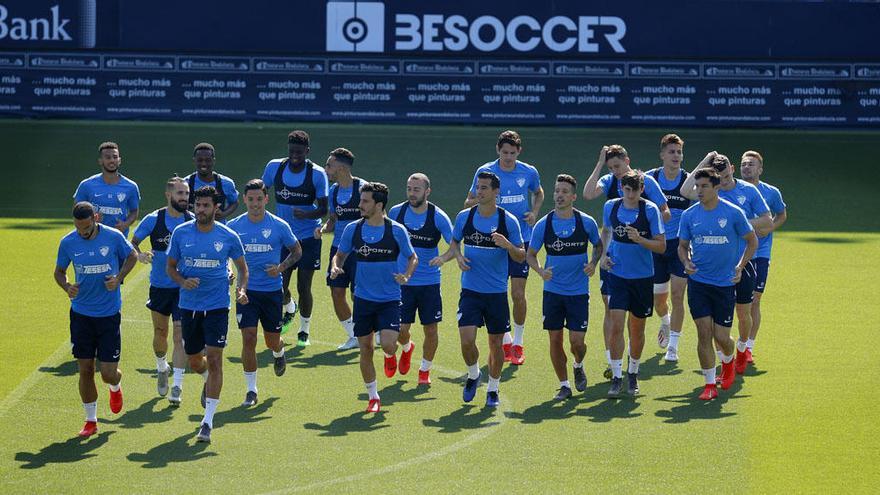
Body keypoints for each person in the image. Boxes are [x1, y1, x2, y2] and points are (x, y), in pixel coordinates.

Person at [167, 186, 248, 443]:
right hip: (189, 306)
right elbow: (170, 267)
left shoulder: (228, 236)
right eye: (197, 205)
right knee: (194, 359)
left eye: (205, 206)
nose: (200, 210)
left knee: (214, 359)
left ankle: (207, 421)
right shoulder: (180, 234)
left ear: (216, 207)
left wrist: (241, 290)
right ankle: (206, 380)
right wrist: (182, 280)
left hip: (217, 307)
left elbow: (242, 270)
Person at [438, 171, 524, 408]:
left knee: (496, 344)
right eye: (478, 187)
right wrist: (457, 256)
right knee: (466, 340)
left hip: (496, 294)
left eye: (485, 188)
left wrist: (507, 245)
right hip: (471, 291)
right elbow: (454, 241)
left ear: (496, 192)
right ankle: (474, 374)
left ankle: (493, 389)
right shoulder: (465, 217)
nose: (480, 191)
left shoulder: (508, 221)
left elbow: (521, 255)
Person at [583, 145, 670, 379]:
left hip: (640, 255)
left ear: (627, 161)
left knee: (637, 318)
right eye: (611, 168)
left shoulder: (646, 184)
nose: (616, 172)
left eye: (618, 166)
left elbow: (666, 212)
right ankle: (613, 361)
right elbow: (588, 194)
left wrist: (642, 228)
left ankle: (632, 361)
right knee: (610, 310)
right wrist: (600, 163)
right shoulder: (610, 182)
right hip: (613, 257)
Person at [681, 153, 772, 375]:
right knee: (710, 326)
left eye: (726, 175)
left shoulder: (748, 192)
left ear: (731, 170)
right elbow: (685, 191)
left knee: (744, 311)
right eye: (718, 176)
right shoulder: (706, 194)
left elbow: (768, 220)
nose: (723, 180)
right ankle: (722, 361)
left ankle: (743, 348)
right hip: (712, 268)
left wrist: (739, 225)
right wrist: (705, 160)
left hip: (743, 261)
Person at [330, 182, 417, 413]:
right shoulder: (353, 229)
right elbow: (339, 255)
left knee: (388, 344)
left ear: (379, 205)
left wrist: (407, 276)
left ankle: (398, 352)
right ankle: (373, 396)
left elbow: (412, 257)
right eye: (361, 200)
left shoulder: (395, 230)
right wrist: (335, 267)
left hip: (389, 298)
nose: (360, 205)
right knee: (365, 348)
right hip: (363, 300)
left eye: (365, 201)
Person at [54, 202, 137, 437]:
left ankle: (115, 386)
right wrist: (67, 286)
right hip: (81, 313)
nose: (83, 233)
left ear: (96, 218)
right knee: (86, 369)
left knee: (108, 372)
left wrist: (119, 278)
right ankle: (91, 420)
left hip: (108, 313)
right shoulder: (68, 242)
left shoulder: (113, 237)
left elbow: (131, 256)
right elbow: (59, 272)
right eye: (79, 228)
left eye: (87, 228)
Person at [677, 168, 758, 400]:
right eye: (697, 186)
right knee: (704, 333)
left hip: (724, 285)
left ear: (716, 187)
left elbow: (752, 242)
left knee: (721, 338)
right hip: (698, 283)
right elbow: (682, 246)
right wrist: (686, 261)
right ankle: (710, 383)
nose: (699, 191)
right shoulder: (689, 215)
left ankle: (728, 361)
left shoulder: (733, 213)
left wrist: (740, 267)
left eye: (704, 186)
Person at [463, 130, 542, 366]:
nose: (508, 157)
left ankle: (517, 343)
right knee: (494, 293)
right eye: (504, 152)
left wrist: (535, 212)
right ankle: (505, 339)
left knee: (517, 293)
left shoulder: (528, 172)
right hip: (491, 242)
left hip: (520, 240)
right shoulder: (485, 172)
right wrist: (483, 200)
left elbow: (538, 192)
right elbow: (469, 201)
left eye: (512, 153)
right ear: (498, 150)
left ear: (519, 151)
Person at [526, 174, 602, 400]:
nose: (559, 195)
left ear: (573, 197)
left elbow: (598, 246)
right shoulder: (544, 224)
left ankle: (578, 364)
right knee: (555, 339)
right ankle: (564, 384)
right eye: (557, 191)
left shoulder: (585, 222)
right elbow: (530, 255)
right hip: (553, 292)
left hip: (578, 292)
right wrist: (540, 271)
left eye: (564, 192)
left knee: (577, 342)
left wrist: (593, 263)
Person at [228, 179, 302, 406]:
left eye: (259, 199)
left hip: (271, 292)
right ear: (244, 200)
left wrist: (280, 267)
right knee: (248, 338)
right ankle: (251, 390)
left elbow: (297, 250)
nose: (255, 204)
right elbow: (226, 256)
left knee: (271, 341)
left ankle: (279, 352)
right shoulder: (233, 226)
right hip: (246, 292)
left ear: (266, 199)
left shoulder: (279, 225)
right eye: (250, 199)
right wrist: (229, 271)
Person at [599, 170, 666, 398]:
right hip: (618, 275)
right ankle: (617, 376)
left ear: (641, 190)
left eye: (634, 190)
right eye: (626, 190)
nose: (629, 194)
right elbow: (606, 231)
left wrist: (640, 239)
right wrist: (603, 256)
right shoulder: (611, 207)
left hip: (642, 278)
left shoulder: (649, 210)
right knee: (616, 325)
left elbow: (661, 246)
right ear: (621, 189)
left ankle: (633, 373)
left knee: (636, 329)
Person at [261, 130, 329, 347]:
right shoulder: (274, 167)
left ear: (307, 151)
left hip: (309, 237)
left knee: (304, 286)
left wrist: (307, 214)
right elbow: (262, 191)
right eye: (291, 151)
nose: (294, 156)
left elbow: (324, 209)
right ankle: (290, 307)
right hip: (283, 237)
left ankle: (304, 331)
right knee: (278, 284)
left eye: (299, 152)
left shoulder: (317, 174)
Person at [130, 177, 193, 404]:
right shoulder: (154, 219)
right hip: (159, 286)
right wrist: (139, 254)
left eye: (186, 194)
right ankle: (161, 367)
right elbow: (132, 241)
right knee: (160, 334)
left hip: (182, 287)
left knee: (179, 335)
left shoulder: (191, 220)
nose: (184, 198)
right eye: (180, 194)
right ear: (169, 195)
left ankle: (177, 385)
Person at [388, 173, 454, 385]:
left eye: (416, 189)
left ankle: (424, 370)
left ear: (427, 191)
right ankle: (407, 348)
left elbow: (455, 245)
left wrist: (443, 258)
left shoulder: (438, 217)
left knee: (431, 329)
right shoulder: (396, 213)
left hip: (429, 283)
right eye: (409, 188)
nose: (412, 193)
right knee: (400, 329)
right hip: (402, 282)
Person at [646, 134, 692, 362]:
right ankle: (665, 321)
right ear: (662, 154)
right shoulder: (649, 179)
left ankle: (673, 346)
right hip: (656, 245)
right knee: (658, 301)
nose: (676, 156)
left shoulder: (687, 181)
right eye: (672, 152)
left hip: (679, 246)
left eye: (679, 152)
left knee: (677, 296)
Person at [739, 150, 787, 366]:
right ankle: (735, 345)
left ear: (760, 169)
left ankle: (748, 347)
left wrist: (771, 228)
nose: (747, 167)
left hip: (760, 254)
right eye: (744, 164)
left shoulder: (771, 192)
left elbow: (782, 214)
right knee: (739, 303)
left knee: (754, 301)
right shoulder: (733, 190)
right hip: (737, 253)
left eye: (751, 164)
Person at [321, 148, 364, 350]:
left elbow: (379, 218)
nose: (326, 169)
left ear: (341, 167)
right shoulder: (334, 192)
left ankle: (375, 331)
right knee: (337, 292)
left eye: (329, 165)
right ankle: (353, 335)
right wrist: (323, 228)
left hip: (361, 252)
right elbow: (333, 220)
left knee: (360, 295)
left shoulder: (363, 189)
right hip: (339, 250)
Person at [73, 141, 140, 236]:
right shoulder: (86, 185)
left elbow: (134, 211)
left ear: (119, 160)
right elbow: (76, 210)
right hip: (93, 237)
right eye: (108, 157)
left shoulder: (131, 186)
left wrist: (125, 224)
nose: (112, 160)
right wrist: (90, 222)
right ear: (100, 161)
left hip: (118, 239)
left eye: (115, 157)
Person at [184, 143, 239, 223]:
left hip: (218, 231)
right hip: (193, 230)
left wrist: (223, 214)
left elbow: (234, 202)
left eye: (207, 160)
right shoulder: (185, 184)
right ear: (194, 160)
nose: (203, 164)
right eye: (200, 160)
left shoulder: (226, 183)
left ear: (213, 161)